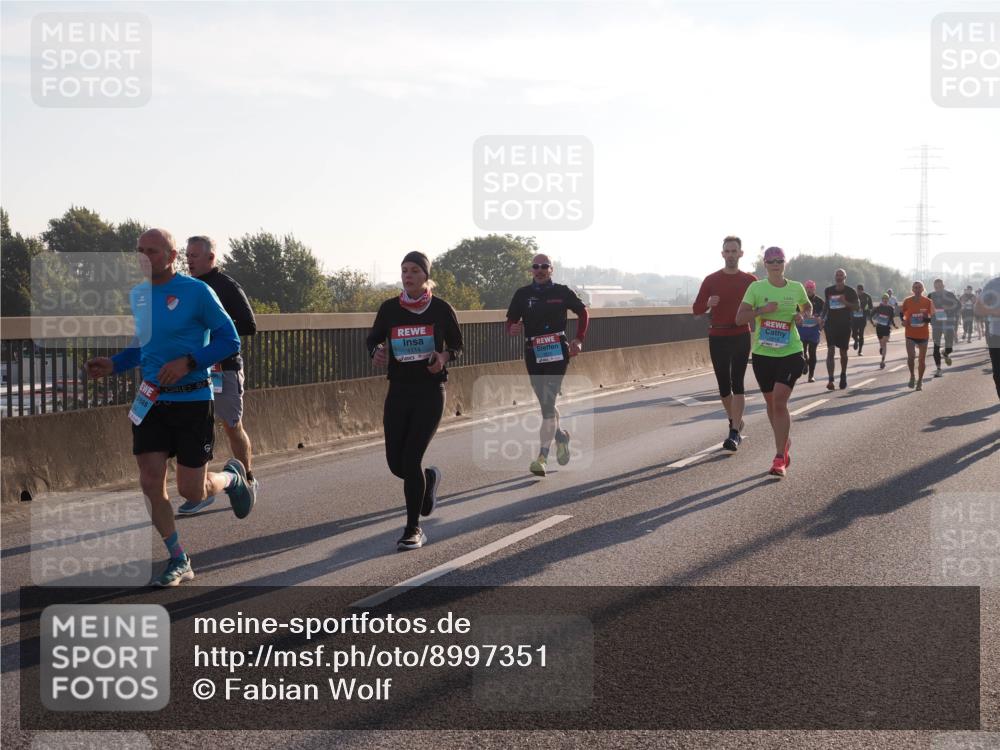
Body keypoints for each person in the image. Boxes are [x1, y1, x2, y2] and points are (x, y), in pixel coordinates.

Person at [84, 229, 255, 587]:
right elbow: (143, 348)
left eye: (152, 251)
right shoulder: (138, 296)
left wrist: (188, 362)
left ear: (172, 255)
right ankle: (178, 558)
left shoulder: (198, 292)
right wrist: (114, 363)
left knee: (192, 491)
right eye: (139, 251)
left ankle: (232, 478)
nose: (144, 257)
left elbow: (230, 338)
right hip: (152, 401)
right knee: (150, 481)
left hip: (193, 400)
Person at [367, 252, 462, 551]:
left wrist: (443, 357)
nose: (407, 276)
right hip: (398, 391)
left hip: (430, 392)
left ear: (426, 276)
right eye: (404, 270)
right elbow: (373, 339)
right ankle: (429, 481)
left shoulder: (442, 309)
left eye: (414, 271)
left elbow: (458, 346)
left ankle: (413, 528)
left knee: (411, 460)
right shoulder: (390, 309)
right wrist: (376, 351)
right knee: (396, 464)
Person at [182, 235, 259, 514]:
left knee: (231, 426)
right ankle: (200, 489)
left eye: (194, 256)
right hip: (194, 368)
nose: (188, 260)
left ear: (211, 258)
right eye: (187, 255)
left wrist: (215, 328)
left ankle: (247, 479)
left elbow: (250, 325)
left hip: (223, 368)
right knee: (195, 428)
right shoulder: (187, 287)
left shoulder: (226, 286)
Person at [506, 254, 589, 477]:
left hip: (558, 352)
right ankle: (561, 436)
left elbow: (583, 312)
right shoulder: (523, 295)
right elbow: (511, 321)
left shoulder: (562, 292)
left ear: (551, 269)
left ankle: (542, 456)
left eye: (544, 266)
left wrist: (579, 339)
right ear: (531, 270)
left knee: (548, 401)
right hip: (533, 352)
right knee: (545, 402)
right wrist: (512, 328)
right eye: (536, 267)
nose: (540, 270)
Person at [735, 246, 811, 478]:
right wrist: (762, 310)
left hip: (791, 352)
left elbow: (807, 306)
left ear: (784, 263)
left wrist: (802, 315)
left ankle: (779, 458)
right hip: (763, 354)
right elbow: (740, 318)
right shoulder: (756, 288)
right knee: (771, 404)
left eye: (779, 260)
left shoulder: (796, 288)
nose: (776, 264)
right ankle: (784, 442)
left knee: (779, 401)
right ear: (765, 264)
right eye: (771, 261)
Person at [692, 235, 757, 450]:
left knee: (737, 382)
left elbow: (759, 308)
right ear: (722, 254)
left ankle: (734, 432)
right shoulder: (711, 280)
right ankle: (734, 421)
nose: (730, 255)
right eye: (727, 251)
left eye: (734, 251)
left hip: (740, 334)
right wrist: (708, 303)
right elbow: (696, 310)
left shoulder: (750, 281)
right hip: (718, 336)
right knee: (723, 386)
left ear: (741, 253)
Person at [822, 269, 860, 390]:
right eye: (837, 275)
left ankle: (843, 374)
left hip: (845, 325)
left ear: (845, 277)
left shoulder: (850, 291)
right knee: (830, 351)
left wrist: (845, 302)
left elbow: (857, 307)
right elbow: (826, 306)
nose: (839, 277)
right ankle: (830, 380)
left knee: (843, 353)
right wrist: (821, 318)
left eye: (841, 275)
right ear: (835, 277)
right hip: (831, 325)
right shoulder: (828, 290)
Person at [900, 281, 935, 391]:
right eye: (915, 287)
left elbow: (933, 317)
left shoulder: (928, 302)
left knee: (921, 360)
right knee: (911, 357)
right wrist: (904, 321)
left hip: (923, 334)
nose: (917, 289)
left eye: (919, 287)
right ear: (912, 289)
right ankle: (912, 376)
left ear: (923, 289)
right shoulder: (907, 301)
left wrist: (926, 319)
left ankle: (920, 380)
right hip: (910, 333)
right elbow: (902, 313)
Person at [974, 276, 1000, 401]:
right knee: (998, 374)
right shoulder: (993, 284)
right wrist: (995, 312)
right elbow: (978, 308)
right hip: (996, 336)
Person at [928, 278, 960, 378]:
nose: (938, 289)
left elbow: (959, 305)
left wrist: (949, 308)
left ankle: (946, 353)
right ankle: (938, 369)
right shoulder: (930, 296)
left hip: (948, 323)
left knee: (949, 347)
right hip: (936, 324)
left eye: (940, 287)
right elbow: (925, 309)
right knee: (936, 347)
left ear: (943, 286)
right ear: (934, 287)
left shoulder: (950, 295)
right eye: (936, 287)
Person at [796, 280, 824, 382]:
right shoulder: (800, 301)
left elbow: (825, 314)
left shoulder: (820, 301)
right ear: (805, 289)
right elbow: (794, 313)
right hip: (802, 329)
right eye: (807, 288)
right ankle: (805, 363)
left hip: (813, 330)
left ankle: (811, 375)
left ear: (814, 289)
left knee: (812, 352)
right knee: (802, 352)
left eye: (811, 288)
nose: (809, 290)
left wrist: (820, 320)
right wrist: (799, 316)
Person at [871, 293, 898, 369]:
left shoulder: (890, 308)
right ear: (882, 300)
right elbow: (871, 315)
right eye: (884, 299)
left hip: (886, 328)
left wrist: (894, 325)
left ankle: (882, 361)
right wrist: (873, 323)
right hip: (879, 327)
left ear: (888, 300)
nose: (885, 300)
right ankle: (881, 348)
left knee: (884, 343)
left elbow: (891, 318)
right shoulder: (878, 308)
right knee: (881, 343)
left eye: (886, 299)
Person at [851, 283, 874, 355]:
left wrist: (865, 310)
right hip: (854, 318)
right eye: (858, 291)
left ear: (863, 290)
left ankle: (860, 351)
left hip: (862, 318)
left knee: (861, 334)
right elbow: (849, 305)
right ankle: (856, 340)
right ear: (857, 290)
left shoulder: (868, 297)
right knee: (853, 334)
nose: (859, 292)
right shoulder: (853, 296)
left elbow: (871, 307)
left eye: (861, 291)